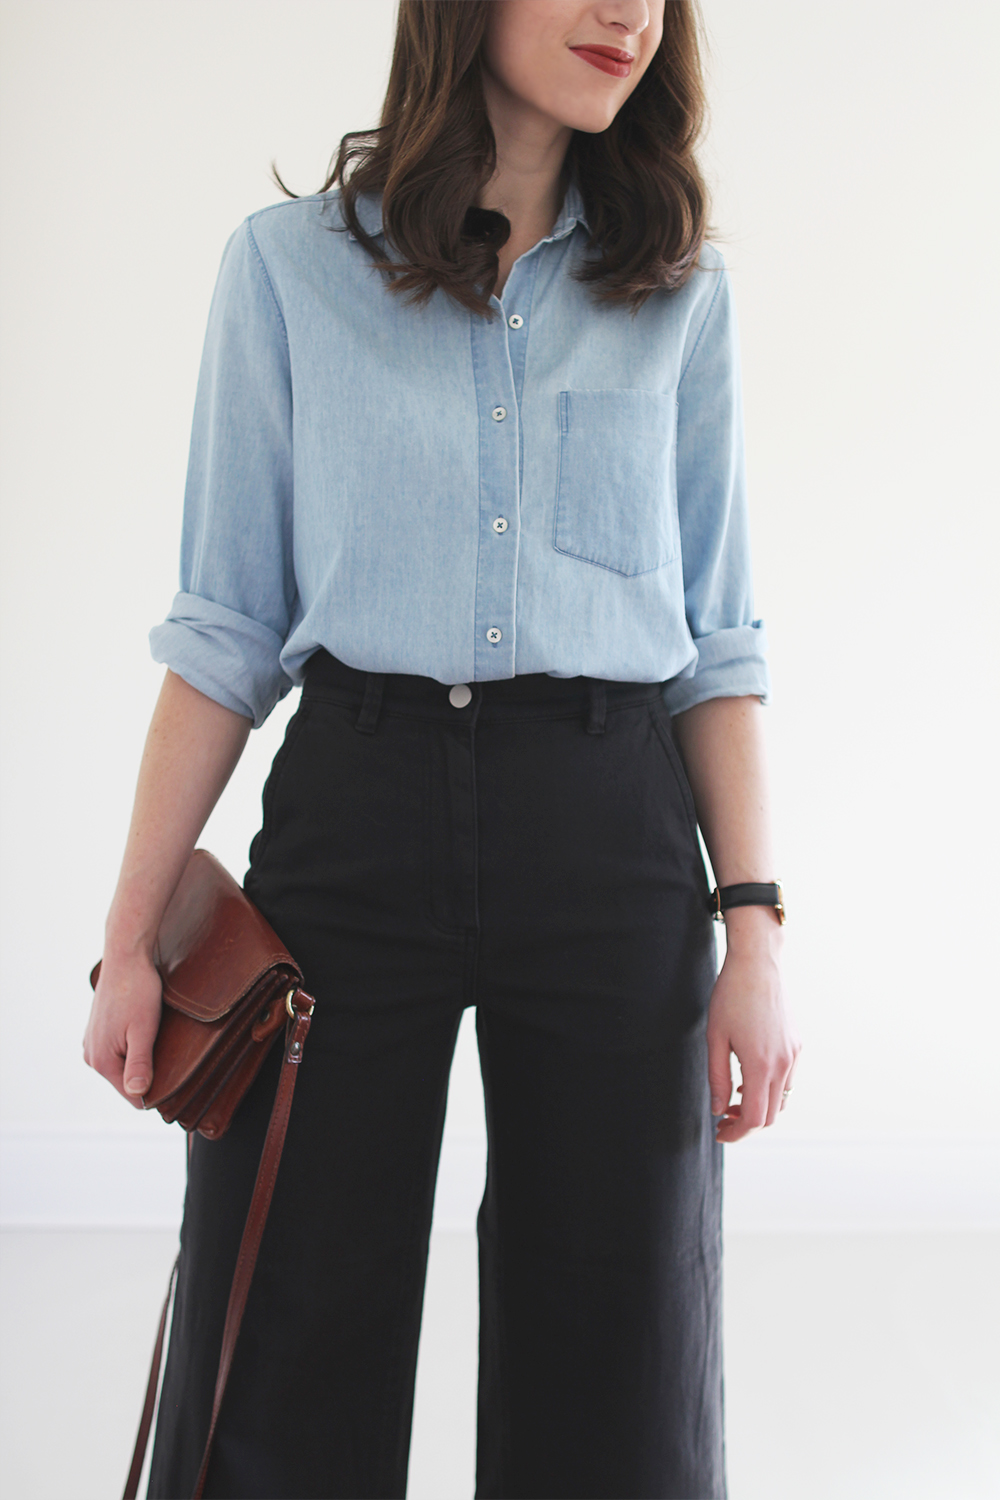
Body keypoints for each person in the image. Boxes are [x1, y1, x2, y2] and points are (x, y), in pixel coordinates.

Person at [83, 2, 802, 1496]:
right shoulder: (286, 272)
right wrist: (133, 932)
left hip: (609, 828)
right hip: (358, 810)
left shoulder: (683, 291)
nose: (629, 13)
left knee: (621, 1355)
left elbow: (714, 644)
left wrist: (756, 932)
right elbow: (224, 629)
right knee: (279, 1320)